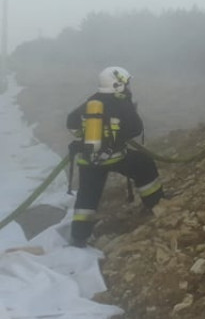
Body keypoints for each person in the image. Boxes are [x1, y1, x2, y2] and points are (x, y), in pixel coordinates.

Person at [66, 66, 164, 247]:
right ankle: (155, 203)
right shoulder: (122, 103)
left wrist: (86, 137)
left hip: (88, 160)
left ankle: (78, 236)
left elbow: (71, 122)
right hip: (116, 157)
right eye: (125, 84)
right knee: (144, 164)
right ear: (118, 85)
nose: (127, 87)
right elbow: (136, 129)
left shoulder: (91, 101)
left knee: (87, 197)